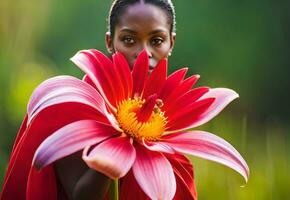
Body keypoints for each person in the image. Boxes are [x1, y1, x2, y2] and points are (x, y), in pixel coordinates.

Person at [1, 0, 177, 199]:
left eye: (156, 40)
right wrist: (121, 136)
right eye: (128, 40)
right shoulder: (74, 106)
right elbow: (81, 196)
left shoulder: (166, 121)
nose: (144, 53)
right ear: (110, 43)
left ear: (171, 43)